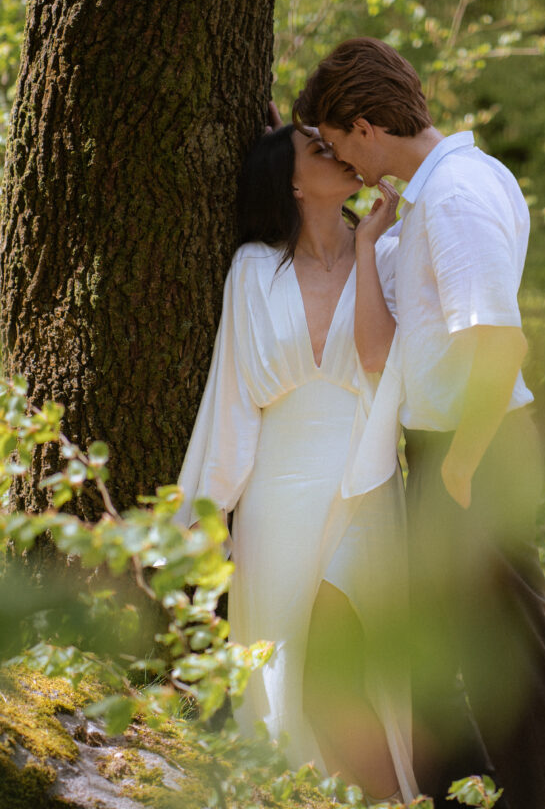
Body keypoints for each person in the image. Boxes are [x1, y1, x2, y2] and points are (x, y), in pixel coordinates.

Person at [292, 37, 545, 809]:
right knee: (456, 650)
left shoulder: (457, 194)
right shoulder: (428, 200)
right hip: (449, 446)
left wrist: (460, 465)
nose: (343, 164)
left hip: (476, 445)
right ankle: (479, 792)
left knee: (514, 653)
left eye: (334, 145)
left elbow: (496, 338)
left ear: (364, 126)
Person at [175, 121, 418, 804]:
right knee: (284, 670)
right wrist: (202, 514)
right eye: (320, 149)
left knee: (350, 656)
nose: (339, 152)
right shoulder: (252, 267)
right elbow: (230, 397)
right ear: (290, 180)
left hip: (362, 478)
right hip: (274, 498)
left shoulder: (390, 252)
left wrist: (368, 247)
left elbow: (378, 362)